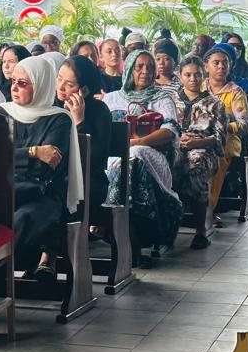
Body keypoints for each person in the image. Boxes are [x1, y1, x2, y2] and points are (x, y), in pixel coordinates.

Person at [0, 56, 82, 278]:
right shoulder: (1, 113)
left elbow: (45, 168)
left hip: (41, 195)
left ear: (41, 85)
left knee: (21, 220)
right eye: (13, 81)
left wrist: (12, 157)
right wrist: (33, 152)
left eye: (22, 83)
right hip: (3, 192)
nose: (14, 88)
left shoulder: (59, 119)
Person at [102, 50, 183, 261]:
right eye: (139, 66)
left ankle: (132, 236)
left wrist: (136, 142)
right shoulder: (111, 98)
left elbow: (170, 131)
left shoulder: (163, 98)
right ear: (129, 69)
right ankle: (123, 232)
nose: (145, 71)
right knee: (121, 162)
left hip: (153, 155)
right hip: (114, 158)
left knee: (134, 157)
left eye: (150, 67)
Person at [171, 57, 226, 250]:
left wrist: (197, 142)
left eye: (197, 75)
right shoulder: (170, 100)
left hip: (203, 149)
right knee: (164, 164)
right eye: (188, 75)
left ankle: (201, 230)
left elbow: (219, 139)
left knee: (196, 164)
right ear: (180, 76)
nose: (193, 79)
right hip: (173, 146)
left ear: (203, 75)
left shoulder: (215, 103)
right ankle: (165, 228)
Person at [57, 56, 111, 226]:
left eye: (69, 84)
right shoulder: (52, 105)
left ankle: (67, 241)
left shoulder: (99, 111)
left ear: (84, 89)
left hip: (90, 180)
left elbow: (95, 159)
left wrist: (79, 122)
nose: (61, 87)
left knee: (62, 189)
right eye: (59, 78)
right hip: (57, 176)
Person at [202, 43, 248, 220]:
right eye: (216, 63)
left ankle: (207, 209)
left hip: (227, 141)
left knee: (216, 156)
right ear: (206, 66)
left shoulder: (235, 92)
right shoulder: (198, 87)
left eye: (225, 63)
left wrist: (223, 126)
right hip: (199, 137)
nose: (221, 66)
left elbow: (243, 125)